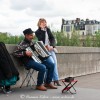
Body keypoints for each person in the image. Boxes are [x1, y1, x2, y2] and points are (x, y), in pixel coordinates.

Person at [35, 18, 61, 86]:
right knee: (51, 63)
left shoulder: (48, 30)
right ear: (39, 24)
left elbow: (52, 38)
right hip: (44, 50)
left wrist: (52, 46)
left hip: (51, 49)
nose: (44, 24)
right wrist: (43, 30)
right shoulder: (37, 32)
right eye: (42, 23)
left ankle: (56, 79)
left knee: (54, 63)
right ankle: (48, 81)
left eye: (45, 22)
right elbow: (41, 40)